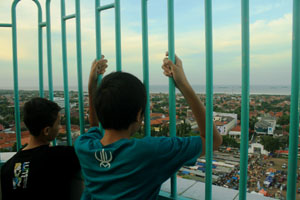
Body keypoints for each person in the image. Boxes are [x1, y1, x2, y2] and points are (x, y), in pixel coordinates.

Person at [74, 54, 222, 199]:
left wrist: (92, 86)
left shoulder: (84, 146)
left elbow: (94, 127)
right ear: (139, 115)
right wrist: (182, 84)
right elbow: (213, 141)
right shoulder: (150, 152)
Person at [1, 97, 81, 200]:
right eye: (58, 123)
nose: (60, 127)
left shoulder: (7, 167)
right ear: (46, 131)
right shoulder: (61, 157)